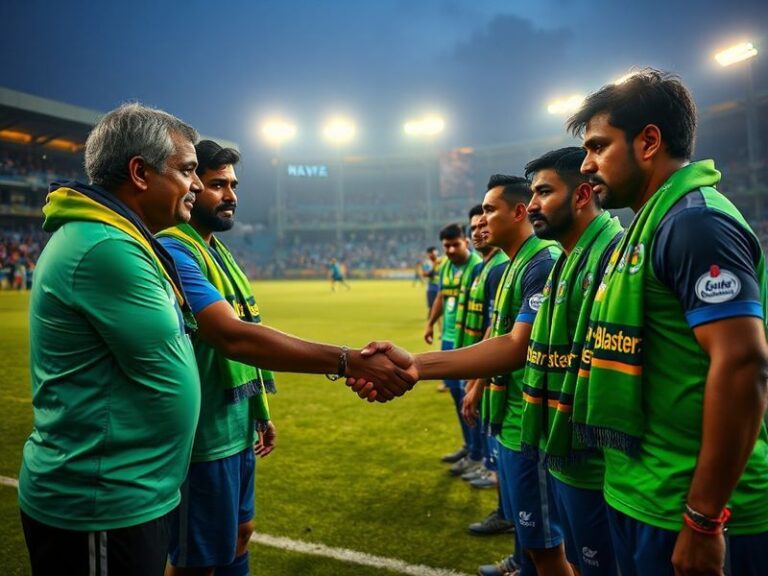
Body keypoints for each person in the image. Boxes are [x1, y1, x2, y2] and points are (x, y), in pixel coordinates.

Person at [19, 104, 412, 576]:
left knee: (225, 546)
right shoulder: (108, 248)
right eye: (189, 172)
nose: (197, 186)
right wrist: (352, 360)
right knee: (198, 561)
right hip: (103, 494)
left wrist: (256, 413)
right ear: (140, 173)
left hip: (139, 484)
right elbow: (231, 336)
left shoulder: (135, 243)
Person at [566, 68, 768, 576]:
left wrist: (703, 519)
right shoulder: (652, 221)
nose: (586, 165)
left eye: (597, 147)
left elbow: (744, 363)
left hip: (693, 507)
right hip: (643, 490)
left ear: (649, 141)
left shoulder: (694, 221)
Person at [351, 174, 570, 576]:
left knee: (551, 548)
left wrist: (420, 365)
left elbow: (514, 346)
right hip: (513, 414)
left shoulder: (540, 263)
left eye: (489, 210)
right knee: (535, 541)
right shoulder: (516, 264)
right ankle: (520, 563)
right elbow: (500, 334)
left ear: (519, 212)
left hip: (532, 421)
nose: (481, 222)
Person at [520, 146, 623, 575]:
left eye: (544, 192)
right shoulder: (566, 258)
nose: (531, 205)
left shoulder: (612, 255)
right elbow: (517, 344)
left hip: (598, 464)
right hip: (564, 450)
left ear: (581, 196)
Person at [454, 205, 514, 536]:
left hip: (494, 370)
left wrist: (477, 378)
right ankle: (503, 507)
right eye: (473, 226)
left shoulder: (498, 269)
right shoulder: (489, 267)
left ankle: (505, 511)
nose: (478, 231)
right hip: (482, 364)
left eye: (484, 223)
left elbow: (497, 328)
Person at [425, 223, 482, 470]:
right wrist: (430, 323)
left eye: (454, 244)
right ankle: (469, 447)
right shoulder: (446, 266)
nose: (449, 250)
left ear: (466, 242)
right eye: (446, 245)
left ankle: (478, 454)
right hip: (448, 340)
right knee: (457, 397)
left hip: (468, 343)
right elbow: (441, 296)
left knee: (471, 401)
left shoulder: (478, 267)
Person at [422, 246, 441, 315]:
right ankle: (429, 323)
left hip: (441, 287)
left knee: (441, 307)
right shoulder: (427, 263)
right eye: (433, 253)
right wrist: (433, 268)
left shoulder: (441, 261)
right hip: (431, 287)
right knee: (431, 307)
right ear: (429, 254)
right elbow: (424, 274)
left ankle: (439, 324)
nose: (435, 255)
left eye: (435, 253)